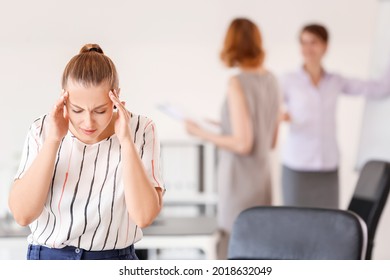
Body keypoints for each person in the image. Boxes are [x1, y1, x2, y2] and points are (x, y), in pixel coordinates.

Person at [8, 44, 165, 260]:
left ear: (116, 97)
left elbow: (144, 216)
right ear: (64, 98)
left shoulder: (141, 129)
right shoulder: (42, 129)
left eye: (100, 110)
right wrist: (54, 139)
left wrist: (126, 141)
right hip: (48, 259)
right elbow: (23, 215)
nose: (88, 122)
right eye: (77, 110)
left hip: (114, 259)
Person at [185, 18, 280, 259]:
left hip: (239, 183)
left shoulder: (237, 82)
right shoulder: (272, 80)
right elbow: (269, 140)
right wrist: (221, 124)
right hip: (262, 181)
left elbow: (242, 143)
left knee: (233, 250)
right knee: (260, 249)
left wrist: (201, 133)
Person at [280, 24, 390, 209]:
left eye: (313, 42)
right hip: (297, 167)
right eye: (303, 42)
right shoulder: (288, 80)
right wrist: (280, 116)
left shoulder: (335, 81)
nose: (307, 48)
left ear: (325, 46)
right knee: (295, 224)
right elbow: (269, 110)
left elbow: (379, 89)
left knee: (329, 225)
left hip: (327, 167)